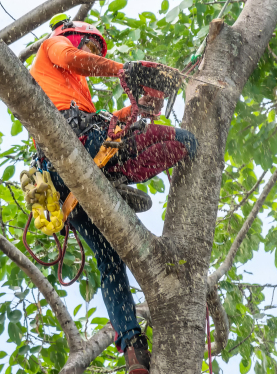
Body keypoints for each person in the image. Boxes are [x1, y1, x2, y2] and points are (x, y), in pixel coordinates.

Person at [29, 19, 197, 374]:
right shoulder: (53, 47)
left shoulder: (75, 90)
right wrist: (124, 70)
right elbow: (74, 59)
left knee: (110, 262)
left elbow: (107, 121)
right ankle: (116, 177)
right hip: (75, 148)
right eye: (91, 46)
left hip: (75, 178)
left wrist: (139, 108)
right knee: (181, 140)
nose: (92, 54)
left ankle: (133, 350)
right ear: (74, 36)